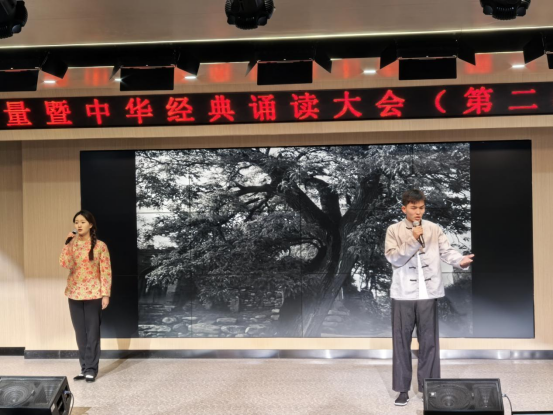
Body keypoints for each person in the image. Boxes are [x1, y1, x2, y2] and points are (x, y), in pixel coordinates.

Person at [384, 189, 474, 406]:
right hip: (403, 294)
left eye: (421, 208)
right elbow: (394, 258)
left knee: (429, 343)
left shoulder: (434, 228)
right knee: (401, 343)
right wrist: (414, 240)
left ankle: (429, 387)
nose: (418, 211)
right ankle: (402, 390)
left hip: (429, 293)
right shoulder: (394, 230)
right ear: (404, 208)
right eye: (413, 207)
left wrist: (459, 261)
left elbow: (446, 251)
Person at [59, 210, 112, 383]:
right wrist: (67, 244)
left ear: (90, 224)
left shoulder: (100, 246)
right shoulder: (72, 244)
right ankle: (83, 368)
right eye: (76, 222)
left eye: (82, 222)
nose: (79, 225)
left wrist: (105, 294)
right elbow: (64, 263)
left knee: (92, 333)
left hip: (94, 294)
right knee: (80, 333)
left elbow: (106, 272)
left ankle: (91, 369)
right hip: (74, 293)